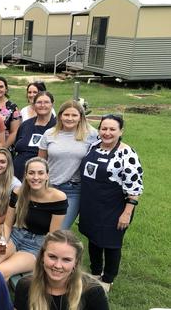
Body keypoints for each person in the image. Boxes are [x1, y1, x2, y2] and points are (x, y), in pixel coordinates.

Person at [79, 114, 143, 292]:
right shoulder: (94, 146)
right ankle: (95, 272)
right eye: (104, 128)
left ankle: (108, 279)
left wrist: (127, 213)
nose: (107, 133)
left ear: (121, 131)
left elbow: (135, 188)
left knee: (111, 243)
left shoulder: (127, 154)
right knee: (93, 239)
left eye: (112, 129)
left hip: (114, 207)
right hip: (92, 204)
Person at [0, 157, 68, 281]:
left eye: (40, 173)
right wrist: (2, 240)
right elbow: (7, 224)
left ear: (47, 175)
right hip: (15, 236)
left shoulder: (58, 198)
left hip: (36, 246)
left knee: (2, 270)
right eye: (31, 173)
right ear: (26, 175)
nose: (35, 177)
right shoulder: (18, 193)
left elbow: (52, 235)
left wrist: (46, 256)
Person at [39, 100, 97, 229]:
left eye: (74, 115)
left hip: (73, 189)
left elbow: (108, 145)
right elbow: (40, 162)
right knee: (42, 226)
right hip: (49, 187)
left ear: (81, 117)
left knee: (59, 229)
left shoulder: (91, 135)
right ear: (60, 116)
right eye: (66, 115)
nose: (70, 118)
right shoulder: (49, 134)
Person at [14, 230, 109, 310]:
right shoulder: (25, 286)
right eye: (52, 257)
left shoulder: (93, 292)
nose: (58, 265)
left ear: (76, 262)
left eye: (66, 260)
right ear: (42, 256)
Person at [13, 91, 56, 179]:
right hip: (17, 175)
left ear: (52, 104)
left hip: (39, 178)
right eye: (39, 102)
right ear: (34, 105)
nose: (42, 105)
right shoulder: (25, 125)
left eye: (46, 102)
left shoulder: (57, 127)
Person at [0, 76, 21, 148]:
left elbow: (15, 132)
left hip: (5, 148)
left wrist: (3, 148)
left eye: (1, 87)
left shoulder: (13, 107)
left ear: (6, 89)